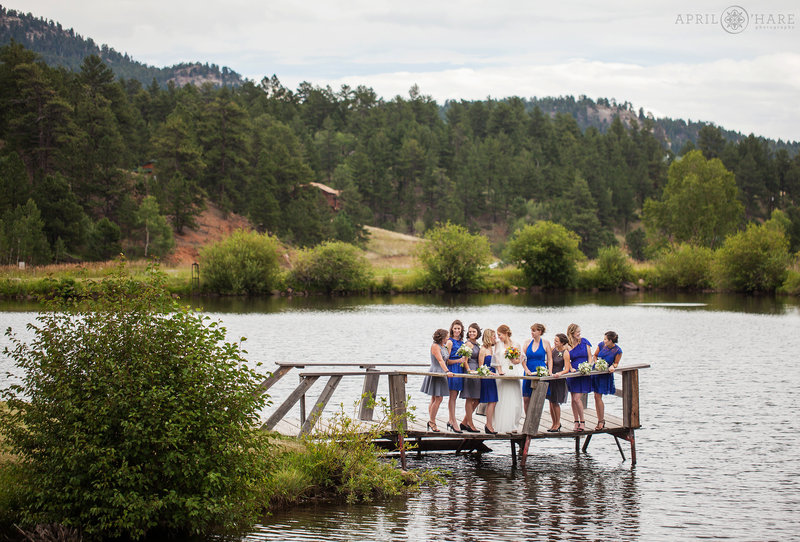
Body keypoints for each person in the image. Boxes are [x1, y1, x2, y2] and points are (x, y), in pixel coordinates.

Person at [420, 328, 453, 432]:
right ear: (442, 337)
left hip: (441, 373)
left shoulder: (444, 346)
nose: (448, 338)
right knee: (438, 399)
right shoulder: (435, 346)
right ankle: (432, 421)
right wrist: (447, 371)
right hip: (436, 372)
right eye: (446, 336)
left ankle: (431, 420)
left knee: (435, 399)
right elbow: (440, 360)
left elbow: (447, 359)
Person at [493, 324, 523, 433]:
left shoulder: (516, 344)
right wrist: (500, 371)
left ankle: (513, 425)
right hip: (502, 373)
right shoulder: (497, 344)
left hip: (513, 371)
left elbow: (519, 360)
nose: (498, 337)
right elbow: (496, 359)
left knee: (514, 398)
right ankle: (500, 424)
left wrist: (514, 360)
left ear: (506, 334)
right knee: (502, 398)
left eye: (500, 334)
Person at [591, 330, 622, 430]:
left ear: (611, 340)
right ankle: (600, 419)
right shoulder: (601, 345)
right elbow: (595, 355)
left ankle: (601, 420)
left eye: (605, 339)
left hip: (605, 375)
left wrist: (613, 366)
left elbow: (616, 363)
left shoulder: (618, 351)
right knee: (596, 396)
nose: (603, 341)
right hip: (597, 372)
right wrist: (596, 363)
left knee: (598, 396)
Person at [566, 323, 592, 432]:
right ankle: (576, 421)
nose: (579, 334)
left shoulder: (584, 341)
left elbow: (590, 357)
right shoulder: (567, 345)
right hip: (573, 373)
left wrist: (588, 366)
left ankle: (583, 421)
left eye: (580, 332)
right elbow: (566, 360)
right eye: (577, 332)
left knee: (577, 398)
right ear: (572, 333)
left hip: (584, 372)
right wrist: (571, 368)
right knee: (573, 399)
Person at [522, 323, 551, 413]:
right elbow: (522, 358)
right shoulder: (527, 342)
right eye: (531, 331)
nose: (532, 333)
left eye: (534, 331)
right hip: (529, 371)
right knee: (526, 398)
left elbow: (550, 359)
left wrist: (549, 371)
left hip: (541, 371)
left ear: (540, 332)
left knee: (538, 397)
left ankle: (535, 417)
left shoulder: (546, 343)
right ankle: (528, 418)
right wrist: (526, 369)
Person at [459, 323, 482, 432]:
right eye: (470, 331)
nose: (472, 333)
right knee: (470, 398)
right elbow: (465, 360)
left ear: (478, 333)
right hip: (470, 371)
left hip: (477, 371)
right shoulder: (468, 344)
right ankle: (470, 424)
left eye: (474, 331)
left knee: (477, 398)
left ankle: (464, 422)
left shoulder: (477, 344)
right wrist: (469, 371)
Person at [546, 333, 571, 432]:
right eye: (554, 340)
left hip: (558, 379)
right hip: (551, 377)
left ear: (562, 343)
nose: (555, 342)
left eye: (557, 341)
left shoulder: (565, 353)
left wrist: (559, 373)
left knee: (556, 402)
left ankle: (558, 423)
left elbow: (567, 369)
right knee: (551, 402)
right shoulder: (553, 349)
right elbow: (549, 359)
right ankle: (553, 423)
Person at [445, 320, 466, 433]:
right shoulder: (450, 342)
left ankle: (450, 419)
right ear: (452, 329)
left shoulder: (462, 343)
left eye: (459, 328)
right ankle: (453, 421)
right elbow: (446, 360)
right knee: (452, 396)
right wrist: (458, 360)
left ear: (461, 329)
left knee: (455, 395)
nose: (457, 330)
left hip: (460, 370)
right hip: (452, 370)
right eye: (455, 328)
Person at [478, 328, 498, 434]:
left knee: (493, 401)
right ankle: (488, 425)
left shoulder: (492, 349)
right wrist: (490, 373)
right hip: (487, 377)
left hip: (493, 377)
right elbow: (481, 366)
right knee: (491, 400)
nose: (495, 338)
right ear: (489, 337)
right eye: (494, 336)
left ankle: (489, 424)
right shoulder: (483, 350)